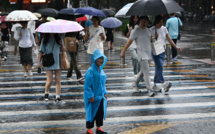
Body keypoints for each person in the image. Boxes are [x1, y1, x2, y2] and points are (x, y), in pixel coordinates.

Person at [120, 16, 155, 97]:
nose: (144, 22)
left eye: (146, 21)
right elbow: (129, 41)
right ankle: (149, 90)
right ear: (139, 21)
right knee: (146, 72)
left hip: (149, 53)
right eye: (142, 20)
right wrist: (123, 51)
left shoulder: (148, 30)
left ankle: (134, 84)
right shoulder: (136, 30)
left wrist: (154, 37)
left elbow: (151, 41)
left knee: (143, 71)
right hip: (141, 54)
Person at [150, 15, 182, 93]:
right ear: (156, 21)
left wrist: (176, 47)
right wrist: (155, 37)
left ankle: (155, 84)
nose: (161, 23)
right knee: (159, 66)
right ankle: (164, 84)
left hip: (162, 50)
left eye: (162, 22)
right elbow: (149, 41)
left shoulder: (164, 29)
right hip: (155, 50)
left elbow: (169, 39)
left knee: (158, 67)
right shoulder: (151, 29)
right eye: (160, 22)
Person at [84, 49, 108, 134]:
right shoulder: (91, 70)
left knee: (100, 113)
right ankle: (89, 130)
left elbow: (103, 84)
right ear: (95, 59)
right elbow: (87, 85)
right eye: (99, 59)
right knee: (91, 112)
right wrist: (90, 95)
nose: (101, 60)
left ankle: (99, 128)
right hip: (93, 97)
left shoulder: (101, 70)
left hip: (100, 97)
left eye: (102, 59)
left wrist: (104, 92)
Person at [38, 33, 64, 103]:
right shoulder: (45, 39)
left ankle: (57, 97)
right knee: (50, 80)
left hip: (58, 61)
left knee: (58, 80)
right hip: (48, 61)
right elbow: (41, 51)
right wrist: (39, 62)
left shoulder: (59, 39)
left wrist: (61, 44)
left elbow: (63, 50)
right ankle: (46, 93)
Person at [65, 16, 84, 81]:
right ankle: (78, 75)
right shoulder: (68, 27)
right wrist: (73, 38)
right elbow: (66, 36)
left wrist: (80, 36)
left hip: (76, 45)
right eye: (74, 19)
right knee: (74, 60)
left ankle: (69, 74)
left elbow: (79, 36)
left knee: (73, 61)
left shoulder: (77, 26)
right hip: (70, 45)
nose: (75, 20)